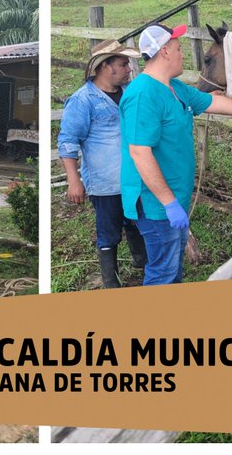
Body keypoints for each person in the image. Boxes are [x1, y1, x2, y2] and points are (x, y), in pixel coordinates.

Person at [120, 23, 232, 285]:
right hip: (156, 205)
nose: (182, 53)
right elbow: (139, 153)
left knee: (171, 269)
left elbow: (210, 101)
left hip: (174, 197)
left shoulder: (173, 87)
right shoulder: (143, 95)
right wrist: (169, 204)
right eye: (178, 47)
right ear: (165, 52)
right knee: (162, 273)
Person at [57, 40, 149, 288]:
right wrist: (73, 180)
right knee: (109, 232)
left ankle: (143, 267)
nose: (129, 68)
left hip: (134, 177)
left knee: (137, 223)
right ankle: (112, 282)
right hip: (105, 182)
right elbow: (68, 141)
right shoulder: (84, 100)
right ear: (106, 67)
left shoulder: (129, 93)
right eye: (123, 64)